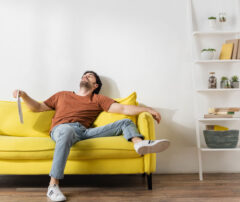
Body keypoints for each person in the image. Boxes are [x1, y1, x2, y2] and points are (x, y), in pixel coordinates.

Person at [13, 71, 170, 202]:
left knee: (125, 123)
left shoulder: (98, 99)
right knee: (67, 131)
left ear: (95, 86)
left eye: (89, 76)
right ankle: (53, 186)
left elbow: (122, 108)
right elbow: (38, 107)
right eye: (84, 75)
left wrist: (148, 109)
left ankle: (138, 143)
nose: (85, 77)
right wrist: (25, 95)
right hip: (62, 129)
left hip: (84, 132)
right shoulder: (62, 95)